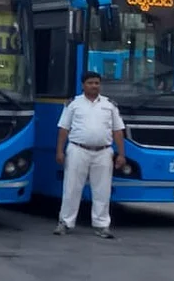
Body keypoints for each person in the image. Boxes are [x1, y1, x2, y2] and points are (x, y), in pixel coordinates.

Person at [54, 70, 126, 239]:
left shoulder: (109, 105)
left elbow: (118, 130)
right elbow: (64, 128)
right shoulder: (73, 104)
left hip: (103, 151)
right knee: (71, 188)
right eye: (90, 83)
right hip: (78, 149)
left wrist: (121, 154)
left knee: (102, 190)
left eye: (97, 83)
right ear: (83, 85)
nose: (94, 86)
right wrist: (59, 150)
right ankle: (65, 222)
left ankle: (101, 225)